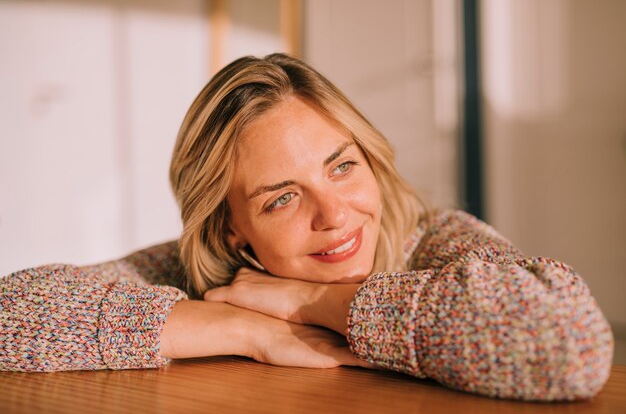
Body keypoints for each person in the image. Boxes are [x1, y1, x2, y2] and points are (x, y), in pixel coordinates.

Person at [0, 54, 613, 401]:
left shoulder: (433, 241)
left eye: (342, 166)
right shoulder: (219, 275)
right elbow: (11, 312)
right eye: (281, 198)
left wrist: (308, 298)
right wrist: (245, 328)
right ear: (232, 227)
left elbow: (571, 345)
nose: (336, 214)